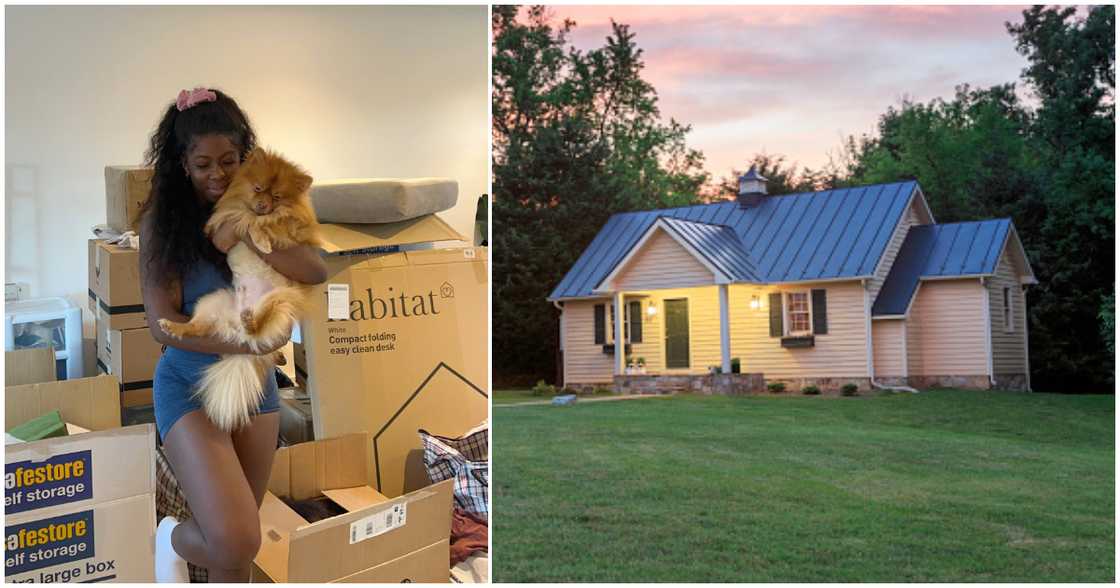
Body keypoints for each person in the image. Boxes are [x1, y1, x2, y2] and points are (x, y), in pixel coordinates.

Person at [138, 87, 327, 582]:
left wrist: (246, 230)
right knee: (236, 537)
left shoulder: (261, 206)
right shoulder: (165, 223)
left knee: (237, 554)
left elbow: (313, 268)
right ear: (182, 163)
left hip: (253, 387)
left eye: (228, 160)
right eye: (203, 165)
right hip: (190, 386)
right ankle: (171, 538)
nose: (217, 175)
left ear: (244, 155)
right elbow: (164, 324)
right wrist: (253, 342)